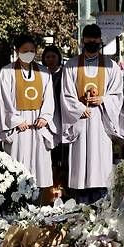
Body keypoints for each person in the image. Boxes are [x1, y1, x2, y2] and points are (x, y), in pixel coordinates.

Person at [61, 24, 124, 204]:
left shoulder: (111, 66)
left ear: (100, 42)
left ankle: (101, 204)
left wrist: (103, 99)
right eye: (89, 42)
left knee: (100, 170)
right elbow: (66, 94)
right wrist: (80, 109)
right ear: (82, 42)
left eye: (95, 42)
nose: (92, 45)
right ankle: (79, 205)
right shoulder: (71, 65)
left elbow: (118, 94)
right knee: (81, 169)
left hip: (101, 123)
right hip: (80, 120)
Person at [0, 35, 56, 189]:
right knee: (17, 170)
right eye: (25, 50)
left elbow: (49, 98)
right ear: (17, 50)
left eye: (32, 50)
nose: (29, 53)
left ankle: (39, 207)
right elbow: (3, 100)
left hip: (38, 126)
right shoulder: (7, 72)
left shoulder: (44, 72)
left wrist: (45, 117)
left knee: (39, 171)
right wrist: (16, 120)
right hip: (19, 127)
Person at [43, 45, 69, 191]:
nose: (51, 60)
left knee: (63, 154)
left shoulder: (65, 74)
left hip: (64, 116)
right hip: (48, 119)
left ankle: (63, 187)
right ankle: (51, 187)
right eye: (47, 57)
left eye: (53, 56)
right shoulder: (42, 75)